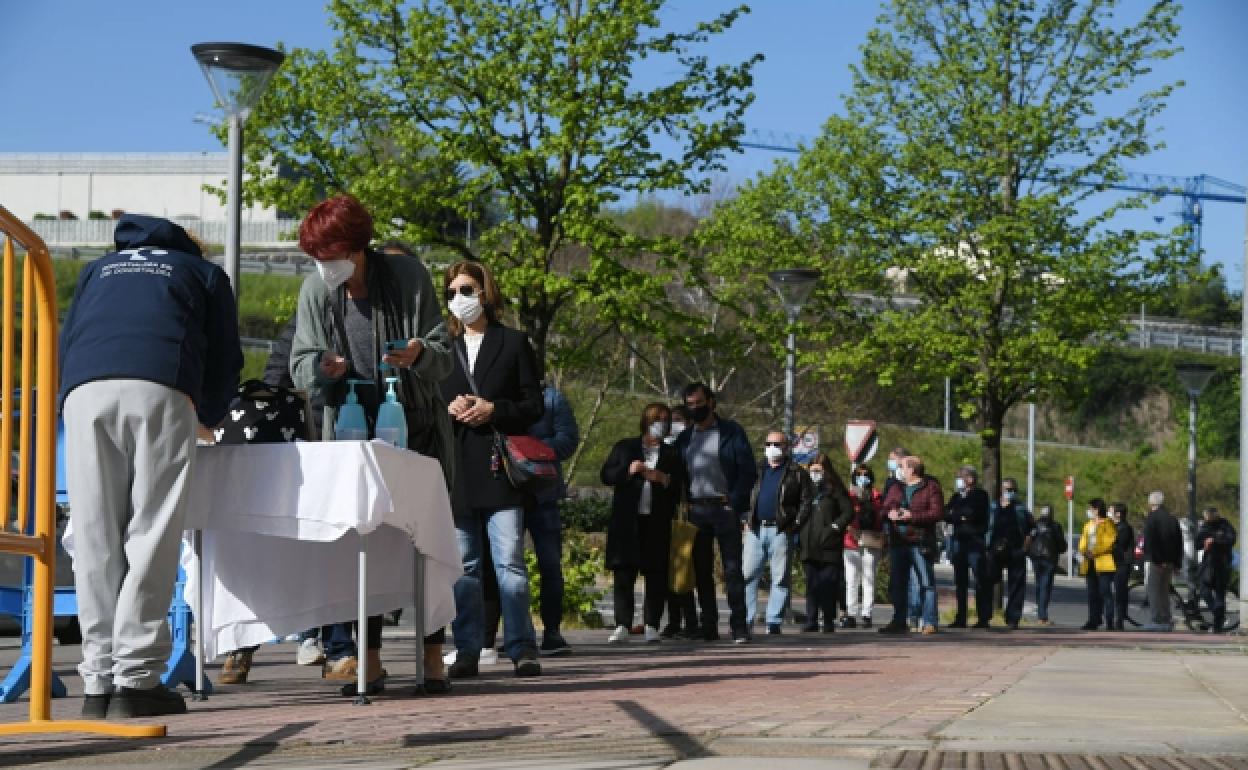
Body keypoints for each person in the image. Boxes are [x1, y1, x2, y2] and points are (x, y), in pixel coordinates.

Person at [60, 214, 242, 718]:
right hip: (159, 384)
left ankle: (97, 681)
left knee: (94, 534)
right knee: (151, 531)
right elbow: (225, 355)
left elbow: (67, 337)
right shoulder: (202, 273)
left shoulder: (98, 269)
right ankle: (136, 679)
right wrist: (209, 415)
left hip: (85, 389)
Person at [290, 201, 457, 695]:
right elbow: (299, 364)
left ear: (357, 247)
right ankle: (370, 661)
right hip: (349, 436)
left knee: (424, 544)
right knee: (359, 546)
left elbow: (442, 354)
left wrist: (419, 353)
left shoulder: (407, 276)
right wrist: (321, 367)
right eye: (317, 256)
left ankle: (432, 657)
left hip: (415, 430)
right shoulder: (316, 290)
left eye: (331, 254)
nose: (324, 265)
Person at [439, 259, 545, 676]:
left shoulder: (513, 343)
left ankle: (522, 647)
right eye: (451, 293)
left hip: (501, 469)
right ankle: (467, 649)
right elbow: (426, 403)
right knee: (464, 568)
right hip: (458, 471)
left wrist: (494, 409)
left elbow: (533, 405)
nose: (459, 299)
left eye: (466, 290)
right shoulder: (442, 349)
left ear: (485, 292)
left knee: (510, 564)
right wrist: (447, 407)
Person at [674, 383, 756, 643]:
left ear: (711, 402)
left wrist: (736, 502)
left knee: (732, 570)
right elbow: (678, 473)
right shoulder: (685, 439)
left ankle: (739, 625)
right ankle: (708, 625)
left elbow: (748, 471)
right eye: (689, 405)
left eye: (699, 403)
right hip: (697, 510)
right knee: (701, 570)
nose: (695, 408)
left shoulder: (731, 432)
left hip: (724, 508)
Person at [601, 403, 687, 643]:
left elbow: (680, 487)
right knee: (624, 572)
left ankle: (652, 624)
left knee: (656, 573)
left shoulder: (671, 454)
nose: (661, 424)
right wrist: (628, 470)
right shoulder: (625, 447)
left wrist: (664, 479)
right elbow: (606, 475)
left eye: (665, 420)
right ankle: (622, 624)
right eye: (656, 419)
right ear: (646, 421)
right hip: (627, 522)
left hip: (657, 521)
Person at [743, 430, 813, 635]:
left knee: (780, 577)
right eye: (768, 444)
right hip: (755, 529)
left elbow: (806, 501)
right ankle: (745, 619)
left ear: (786, 447)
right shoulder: (756, 469)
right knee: (748, 575)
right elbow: (744, 494)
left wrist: (795, 525)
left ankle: (773, 621)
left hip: (781, 530)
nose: (772, 448)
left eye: (777, 444)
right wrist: (745, 518)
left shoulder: (796, 472)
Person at [878, 455, 944, 635]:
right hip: (898, 541)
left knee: (926, 582)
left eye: (902, 466)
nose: (898, 469)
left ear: (912, 470)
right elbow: (884, 508)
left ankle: (929, 621)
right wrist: (889, 513)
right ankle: (899, 620)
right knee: (897, 583)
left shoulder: (930, 487)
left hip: (919, 541)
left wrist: (912, 516)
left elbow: (937, 513)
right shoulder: (896, 487)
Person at [797, 452, 854, 632]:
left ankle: (828, 620)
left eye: (818, 470)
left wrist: (835, 527)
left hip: (829, 545)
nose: (814, 474)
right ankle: (811, 620)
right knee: (812, 584)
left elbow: (848, 512)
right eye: (812, 470)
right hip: (808, 543)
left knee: (828, 584)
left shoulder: (835, 490)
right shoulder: (805, 489)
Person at [660, 405, 699, 640]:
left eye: (677, 420)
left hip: (684, 514)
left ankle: (691, 621)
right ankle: (674, 621)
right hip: (664, 514)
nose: (672, 426)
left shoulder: (689, 449)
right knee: (669, 570)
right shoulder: (664, 450)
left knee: (684, 569)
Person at [975, 478, 1034, 630]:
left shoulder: (1021, 509)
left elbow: (1031, 529)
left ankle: (1013, 619)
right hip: (994, 550)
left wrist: (1025, 547)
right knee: (986, 582)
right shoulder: (992, 507)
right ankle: (984, 617)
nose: (1010, 492)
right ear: (1001, 490)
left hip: (1015, 550)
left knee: (1016, 585)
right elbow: (985, 526)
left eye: (1013, 490)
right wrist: (985, 546)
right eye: (1007, 489)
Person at [944, 465, 989, 628]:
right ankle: (961, 617)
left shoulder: (980, 495)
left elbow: (973, 513)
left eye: (961, 476)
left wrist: (958, 515)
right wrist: (959, 516)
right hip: (959, 542)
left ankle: (983, 617)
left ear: (970, 479)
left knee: (980, 580)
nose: (958, 480)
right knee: (960, 581)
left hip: (975, 542)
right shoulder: (957, 496)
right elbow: (945, 513)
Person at [841, 463, 883, 629]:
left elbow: (881, 518)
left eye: (866, 474)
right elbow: (843, 515)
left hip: (871, 541)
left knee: (869, 578)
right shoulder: (848, 496)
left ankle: (867, 613)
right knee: (851, 579)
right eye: (859, 475)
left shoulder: (877, 496)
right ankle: (851, 613)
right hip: (851, 542)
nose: (862, 478)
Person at [1140, 490, 1182, 631]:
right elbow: (1178, 542)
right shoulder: (1172, 519)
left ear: (1150, 503)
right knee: (1164, 590)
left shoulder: (1152, 518)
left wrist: (1157, 560)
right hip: (1170, 561)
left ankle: (1156, 619)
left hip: (1156, 561)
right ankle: (1166, 619)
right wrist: (1177, 563)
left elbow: (1151, 541)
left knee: (1153, 590)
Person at [1194, 506, 1237, 633]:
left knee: (1219, 595)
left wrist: (1215, 540)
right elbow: (1197, 544)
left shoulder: (1225, 525)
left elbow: (1231, 539)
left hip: (1222, 565)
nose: (1208, 519)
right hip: (1208, 565)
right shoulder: (1205, 527)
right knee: (1204, 591)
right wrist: (1204, 543)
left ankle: (1218, 625)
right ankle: (1218, 615)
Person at [1077, 498, 1116, 631]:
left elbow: (1109, 542)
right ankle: (1093, 619)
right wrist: (1084, 551)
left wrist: (1095, 552)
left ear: (1097, 509)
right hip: (1090, 563)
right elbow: (1083, 541)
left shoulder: (1107, 523)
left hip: (1103, 562)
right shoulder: (1088, 525)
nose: (1089, 511)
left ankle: (1109, 620)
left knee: (1105, 592)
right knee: (1092, 593)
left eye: (1091, 508)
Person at [1027, 503, 1067, 626]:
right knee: (1046, 586)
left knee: (1039, 585)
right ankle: (1042, 616)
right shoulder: (1055, 526)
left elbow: (1029, 539)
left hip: (1035, 557)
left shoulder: (1034, 525)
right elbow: (1062, 545)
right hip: (1049, 559)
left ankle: (1041, 613)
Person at [1108, 502, 1134, 631]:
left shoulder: (1124, 528)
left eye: (1110, 511)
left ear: (1118, 514)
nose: (1108, 513)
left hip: (1122, 563)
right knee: (1114, 592)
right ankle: (1115, 617)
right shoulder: (1113, 526)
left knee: (1120, 592)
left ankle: (1120, 618)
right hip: (1113, 563)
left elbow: (1119, 545)